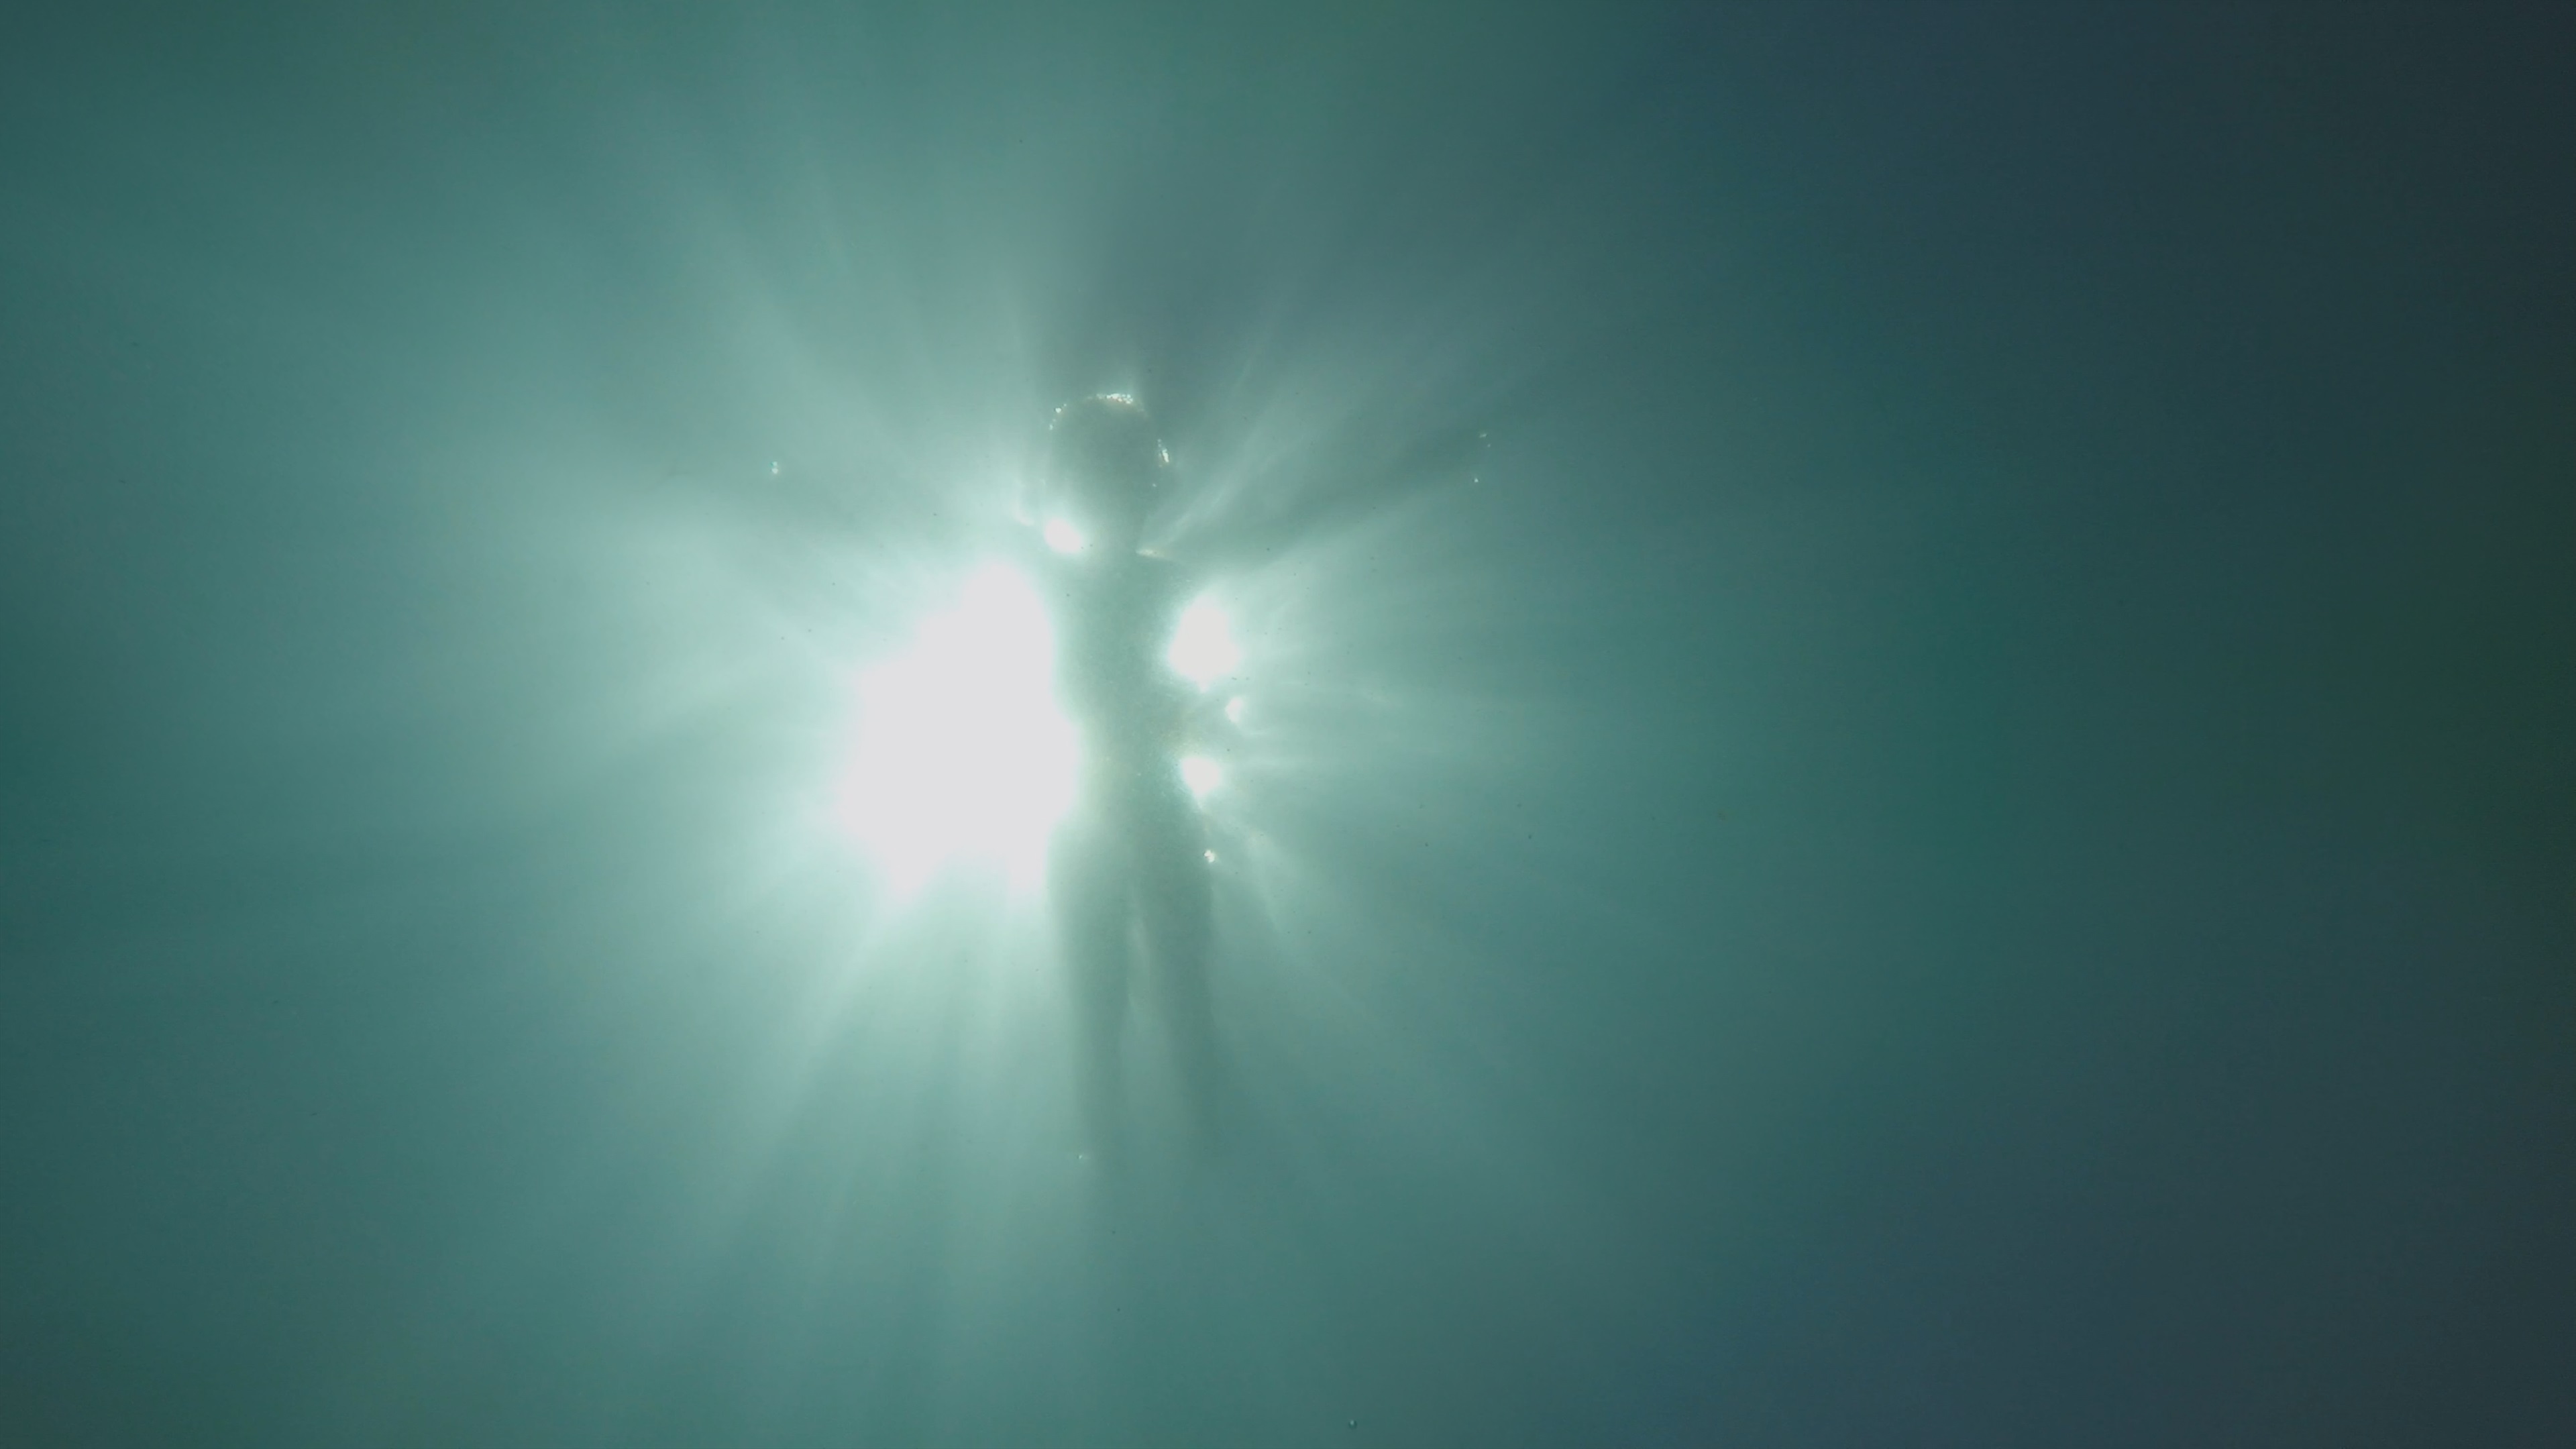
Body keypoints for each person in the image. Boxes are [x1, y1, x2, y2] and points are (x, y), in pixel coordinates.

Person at [1028, 394, 1227, 1162]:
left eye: (1131, 482)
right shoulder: (1153, 583)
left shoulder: (1123, 582)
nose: (1125, 502)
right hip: (1121, 804)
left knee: (1133, 996)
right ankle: (1155, 1146)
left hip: (1117, 804)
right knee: (1133, 995)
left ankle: (1136, 1149)